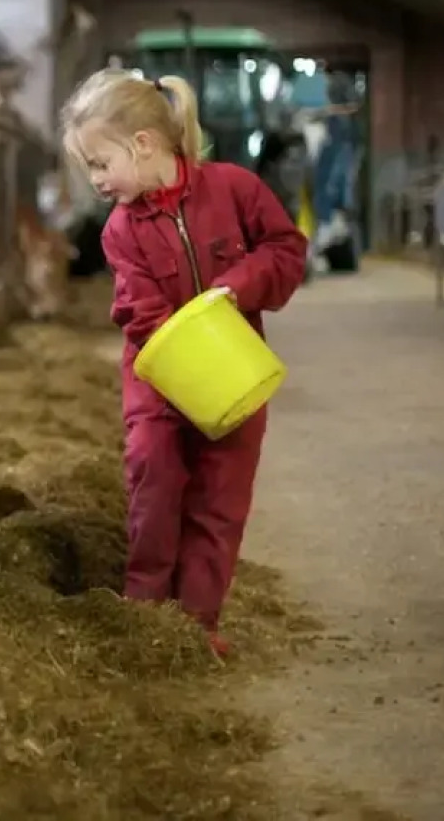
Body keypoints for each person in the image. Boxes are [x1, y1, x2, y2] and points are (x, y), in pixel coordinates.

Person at [60, 69, 308, 656]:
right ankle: (145, 616)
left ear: (143, 144)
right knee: (154, 486)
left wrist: (238, 286)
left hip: (234, 376)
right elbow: (138, 312)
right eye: (90, 169)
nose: (96, 181)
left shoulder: (235, 189)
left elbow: (286, 250)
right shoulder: (120, 232)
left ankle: (197, 627)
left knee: (220, 501)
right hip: (160, 386)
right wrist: (183, 350)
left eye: (100, 164)